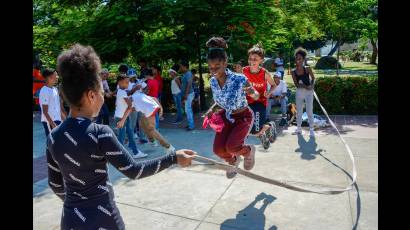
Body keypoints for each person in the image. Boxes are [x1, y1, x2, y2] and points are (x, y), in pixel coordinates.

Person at [49, 43, 195, 230]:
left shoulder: (53, 136)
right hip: (103, 218)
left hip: (70, 220)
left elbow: (55, 184)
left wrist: (77, 204)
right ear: (91, 96)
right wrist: (173, 158)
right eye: (102, 93)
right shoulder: (99, 133)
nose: (104, 97)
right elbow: (134, 170)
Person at [204, 37, 258, 179]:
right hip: (226, 117)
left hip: (242, 117)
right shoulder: (213, 82)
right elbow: (220, 102)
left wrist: (253, 92)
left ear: (225, 62)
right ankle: (232, 162)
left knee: (232, 147)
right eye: (211, 67)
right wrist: (211, 110)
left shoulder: (239, 79)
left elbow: (256, 95)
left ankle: (248, 151)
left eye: (217, 66)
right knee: (218, 150)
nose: (214, 70)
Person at [117, 89, 175, 154]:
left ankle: (168, 147)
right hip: (151, 109)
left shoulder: (131, 100)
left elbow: (130, 109)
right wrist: (161, 108)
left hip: (150, 110)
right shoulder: (137, 95)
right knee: (142, 123)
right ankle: (152, 140)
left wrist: (122, 119)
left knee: (152, 130)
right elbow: (154, 98)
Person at [242, 44, 277, 149]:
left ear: (261, 60)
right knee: (249, 130)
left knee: (255, 130)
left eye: (255, 59)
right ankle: (262, 133)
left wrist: (269, 92)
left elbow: (274, 85)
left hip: (260, 103)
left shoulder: (264, 73)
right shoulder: (244, 71)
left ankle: (270, 125)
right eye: (250, 58)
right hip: (247, 103)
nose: (252, 61)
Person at [114, 74, 147, 158]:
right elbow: (130, 107)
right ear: (120, 83)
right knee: (121, 138)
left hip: (124, 117)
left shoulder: (122, 91)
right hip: (121, 118)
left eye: (128, 82)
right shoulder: (121, 92)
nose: (128, 84)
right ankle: (118, 156)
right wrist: (122, 121)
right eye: (126, 82)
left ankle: (136, 153)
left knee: (130, 135)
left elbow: (128, 103)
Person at [291, 47, 316, 137]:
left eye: (300, 58)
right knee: (299, 112)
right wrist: (306, 86)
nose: (298, 60)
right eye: (297, 58)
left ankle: (312, 129)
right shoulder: (293, 71)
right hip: (299, 93)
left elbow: (313, 78)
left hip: (309, 93)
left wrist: (312, 85)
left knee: (309, 111)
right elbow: (297, 85)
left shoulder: (307, 69)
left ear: (303, 59)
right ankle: (299, 128)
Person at [39, 68, 67, 137]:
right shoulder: (44, 91)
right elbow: (45, 111)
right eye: (56, 75)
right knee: (51, 142)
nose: (57, 77)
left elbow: (59, 108)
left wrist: (66, 120)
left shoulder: (55, 89)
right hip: (49, 121)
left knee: (58, 142)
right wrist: (53, 124)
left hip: (57, 119)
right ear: (49, 78)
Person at [179, 60, 195, 131]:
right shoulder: (186, 73)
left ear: (185, 67)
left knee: (188, 110)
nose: (180, 68)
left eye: (181, 67)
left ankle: (191, 126)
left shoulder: (188, 73)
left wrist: (185, 95)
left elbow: (189, 84)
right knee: (187, 110)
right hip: (188, 94)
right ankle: (190, 124)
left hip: (188, 94)